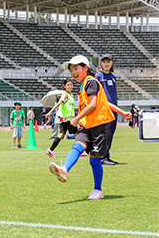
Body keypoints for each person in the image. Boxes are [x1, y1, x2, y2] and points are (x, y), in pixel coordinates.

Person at [49, 55, 131, 200]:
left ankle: (98, 190)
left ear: (85, 68)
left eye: (76, 68)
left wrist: (76, 118)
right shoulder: (83, 86)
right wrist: (122, 112)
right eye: (71, 70)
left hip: (100, 125)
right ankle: (64, 170)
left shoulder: (91, 82)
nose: (73, 72)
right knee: (77, 146)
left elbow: (95, 104)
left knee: (94, 160)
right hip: (86, 124)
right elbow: (105, 101)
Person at [95, 54, 119, 165]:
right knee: (105, 133)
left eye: (108, 61)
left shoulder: (113, 76)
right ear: (101, 64)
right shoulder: (99, 76)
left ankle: (107, 156)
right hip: (104, 109)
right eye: (104, 62)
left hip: (114, 108)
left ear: (112, 63)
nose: (106, 64)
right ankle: (102, 157)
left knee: (111, 133)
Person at [45, 79, 77, 158]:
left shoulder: (71, 95)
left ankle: (51, 150)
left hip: (66, 118)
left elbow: (71, 106)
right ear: (64, 86)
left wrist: (79, 108)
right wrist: (50, 112)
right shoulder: (64, 94)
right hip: (67, 118)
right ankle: (82, 151)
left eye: (71, 84)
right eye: (68, 85)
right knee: (77, 134)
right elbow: (59, 103)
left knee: (61, 134)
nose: (70, 86)